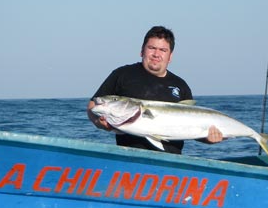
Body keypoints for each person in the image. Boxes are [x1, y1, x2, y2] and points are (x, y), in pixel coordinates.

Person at [87, 26, 223, 154]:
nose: (156, 54)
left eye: (163, 50)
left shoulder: (180, 85)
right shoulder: (122, 74)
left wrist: (208, 138)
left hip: (172, 162)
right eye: (151, 48)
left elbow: (190, 131)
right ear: (142, 50)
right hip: (131, 158)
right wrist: (99, 123)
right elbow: (93, 105)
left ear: (170, 56)